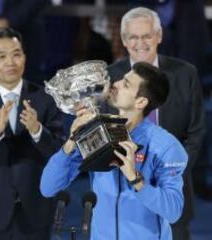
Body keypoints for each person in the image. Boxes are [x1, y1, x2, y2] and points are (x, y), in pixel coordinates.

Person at [40, 62, 188, 240]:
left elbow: (173, 211)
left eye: (125, 84)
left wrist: (135, 179)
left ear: (141, 101)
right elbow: (48, 188)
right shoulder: (97, 132)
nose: (115, 84)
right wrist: (71, 142)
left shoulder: (166, 146)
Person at [107, 7, 205, 240]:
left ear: (159, 36)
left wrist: (173, 171)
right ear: (123, 40)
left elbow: (196, 131)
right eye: (133, 37)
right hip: (122, 196)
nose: (140, 43)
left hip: (171, 190)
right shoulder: (110, 78)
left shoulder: (185, 73)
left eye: (147, 36)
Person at [0, 27, 64, 240]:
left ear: (25, 58)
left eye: (16, 54)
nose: (10, 62)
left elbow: (61, 155)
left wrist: (37, 130)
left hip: (35, 214)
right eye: (1, 56)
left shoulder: (45, 99)